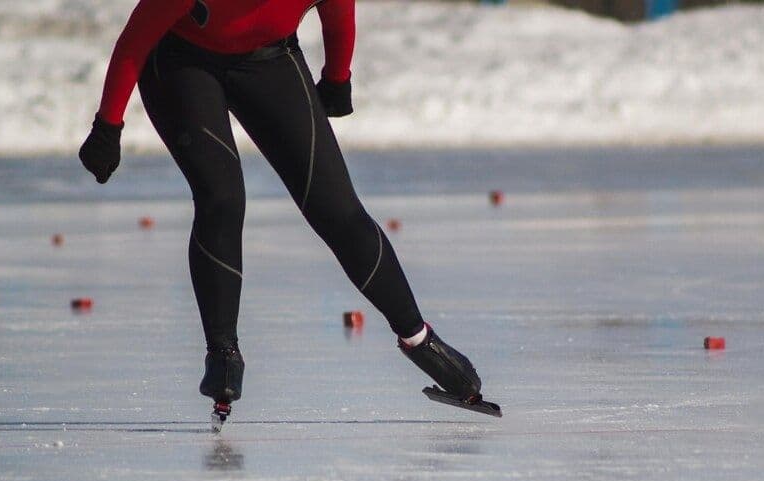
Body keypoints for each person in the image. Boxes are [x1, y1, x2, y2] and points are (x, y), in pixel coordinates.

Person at [79, 0, 486, 419]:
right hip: (180, 60)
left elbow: (339, 12)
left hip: (270, 58)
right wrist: (107, 126)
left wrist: (337, 76)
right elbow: (135, 41)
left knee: (338, 210)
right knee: (222, 197)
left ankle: (420, 340)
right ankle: (223, 354)